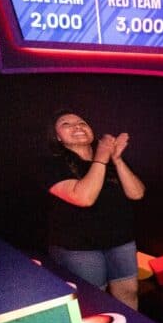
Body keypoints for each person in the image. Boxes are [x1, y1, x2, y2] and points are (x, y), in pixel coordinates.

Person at [45, 109, 145, 309]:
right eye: (66, 124)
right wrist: (101, 157)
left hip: (120, 242)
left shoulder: (110, 161)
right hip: (79, 248)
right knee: (94, 302)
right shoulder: (50, 164)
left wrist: (116, 159)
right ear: (57, 136)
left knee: (129, 292)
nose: (77, 126)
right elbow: (83, 198)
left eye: (82, 122)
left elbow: (137, 193)